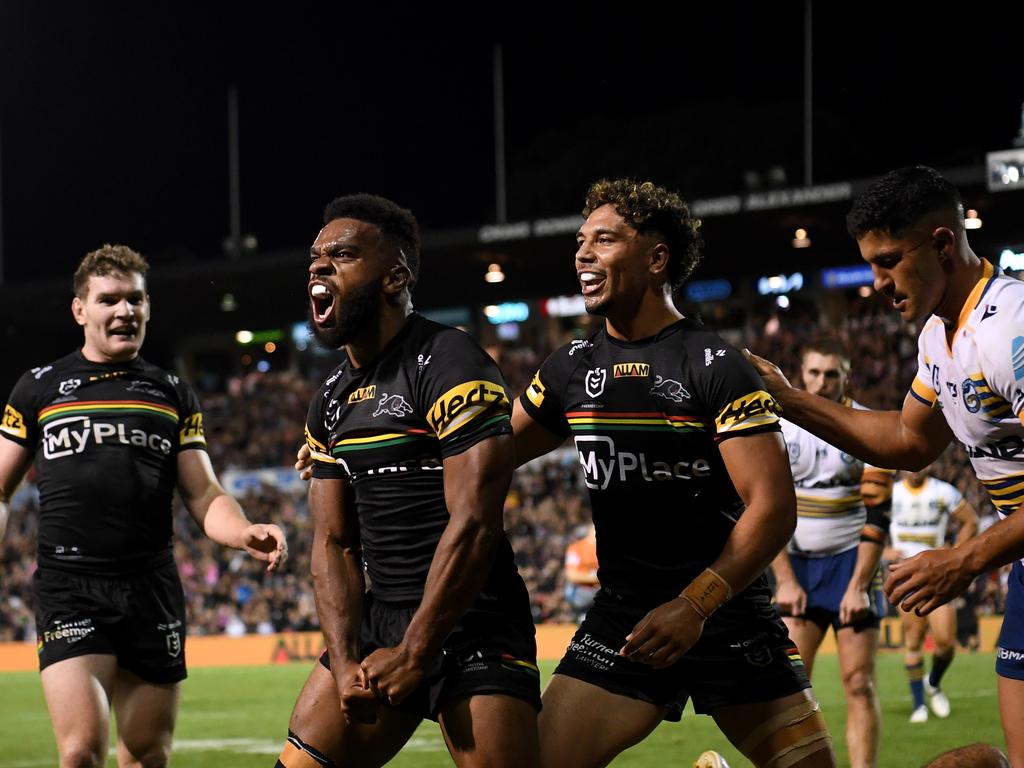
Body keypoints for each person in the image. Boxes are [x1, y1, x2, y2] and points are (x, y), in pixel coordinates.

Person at [512, 179, 834, 767]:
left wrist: (694, 606)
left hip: (727, 615)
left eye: (604, 240)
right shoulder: (569, 369)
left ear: (657, 257)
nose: (582, 254)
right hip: (624, 621)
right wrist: (351, 451)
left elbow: (772, 508)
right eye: (581, 241)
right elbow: (482, 456)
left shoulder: (716, 365)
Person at [744, 164, 1024, 766]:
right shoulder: (937, 338)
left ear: (942, 244)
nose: (877, 283)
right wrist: (789, 399)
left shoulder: (1012, 329)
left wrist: (965, 558)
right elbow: (905, 440)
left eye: (889, 260)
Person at [275, 194, 540, 768]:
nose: (319, 266)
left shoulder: (450, 361)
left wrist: (419, 651)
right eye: (315, 257)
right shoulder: (329, 401)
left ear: (395, 277)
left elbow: (475, 524)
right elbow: (333, 542)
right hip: (383, 616)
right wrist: (345, 662)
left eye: (342, 254)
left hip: (473, 618)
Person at [0, 245, 288, 768]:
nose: (124, 311)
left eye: (134, 299)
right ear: (79, 310)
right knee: (81, 752)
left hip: (150, 589)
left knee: (147, 755)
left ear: (149, 306)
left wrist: (242, 529)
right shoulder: (37, 387)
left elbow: (203, 492)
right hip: (70, 587)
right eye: (108, 299)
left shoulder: (171, 391)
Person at [770, 337, 893, 768]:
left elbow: (878, 516)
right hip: (796, 566)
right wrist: (784, 579)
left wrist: (858, 586)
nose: (821, 382)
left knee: (858, 683)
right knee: (790, 689)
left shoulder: (865, 425)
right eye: (814, 372)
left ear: (846, 376)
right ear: (801, 373)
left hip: (850, 565)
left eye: (831, 373)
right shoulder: (776, 428)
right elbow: (761, 509)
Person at [888, 467, 978, 722]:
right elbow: (868, 523)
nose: (916, 468)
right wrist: (884, 552)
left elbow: (971, 520)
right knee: (913, 640)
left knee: (946, 644)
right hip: (906, 577)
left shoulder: (942, 491)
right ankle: (919, 706)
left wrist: (954, 555)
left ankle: (934, 682)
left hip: (936, 577)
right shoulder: (892, 494)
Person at [564, 522, 599, 619]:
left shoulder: (609, 548)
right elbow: (572, 576)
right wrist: (596, 578)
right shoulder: (576, 548)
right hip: (582, 591)